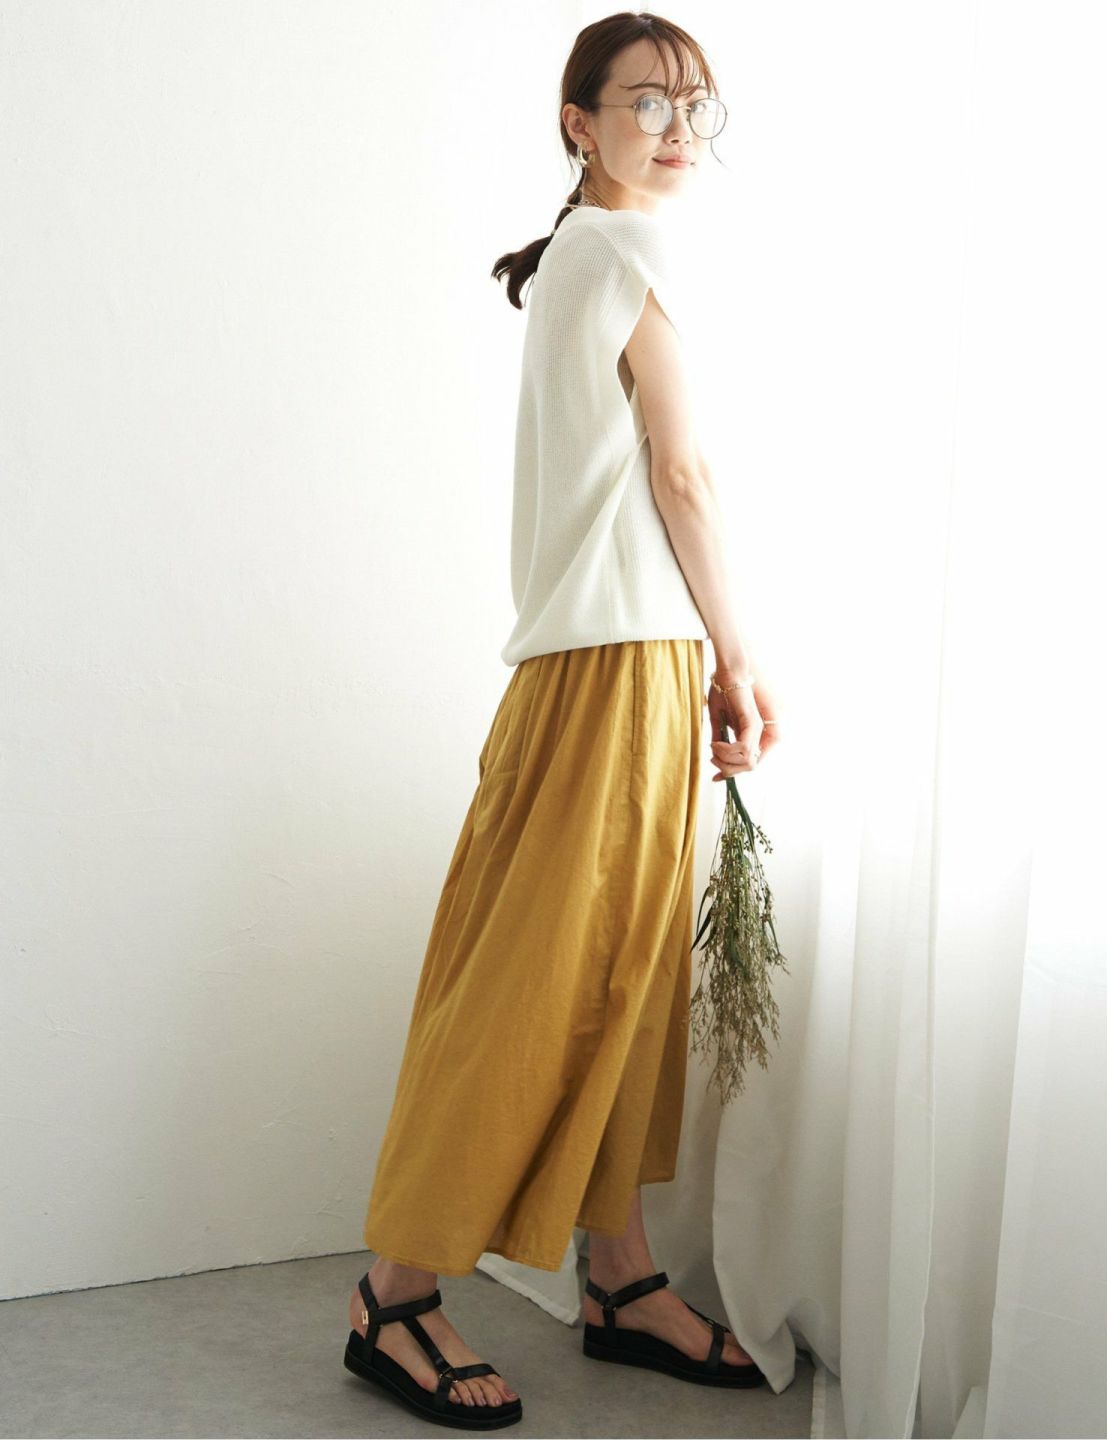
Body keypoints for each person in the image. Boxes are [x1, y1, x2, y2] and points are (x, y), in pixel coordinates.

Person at [342, 12, 781, 1428]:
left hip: (614, 655)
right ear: (578, 123)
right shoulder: (622, 253)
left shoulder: (587, 256)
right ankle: (394, 1295)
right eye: (646, 101)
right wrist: (742, 654)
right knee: (538, 985)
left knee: (621, 978)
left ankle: (622, 1275)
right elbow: (685, 474)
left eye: (695, 104)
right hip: (614, 662)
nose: (677, 126)